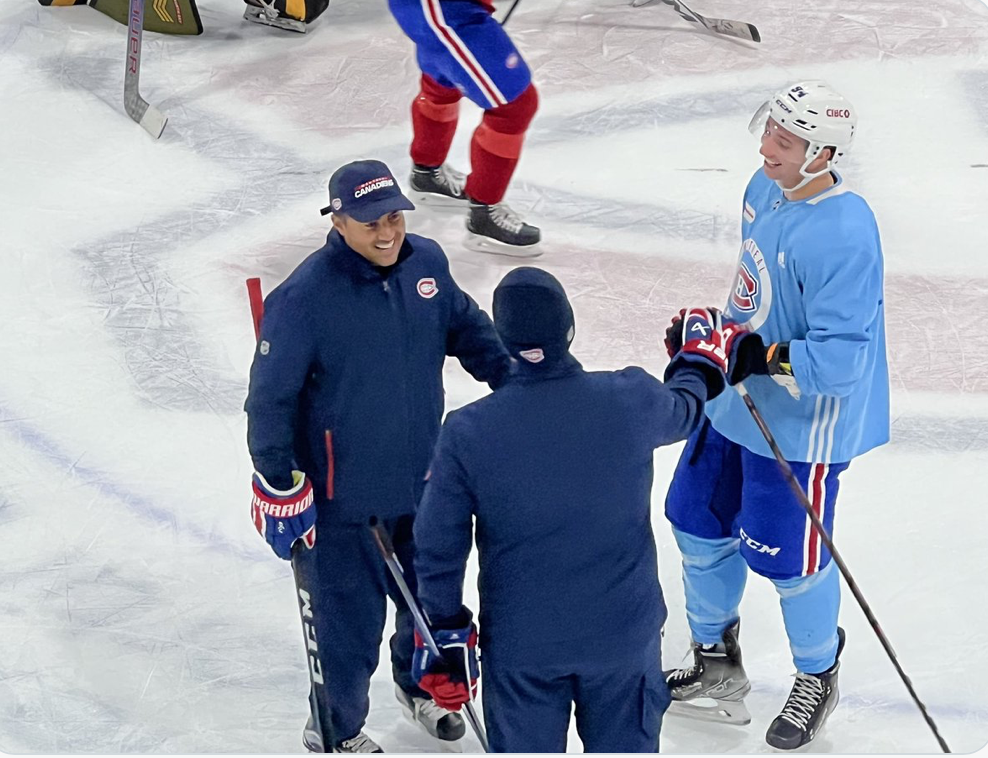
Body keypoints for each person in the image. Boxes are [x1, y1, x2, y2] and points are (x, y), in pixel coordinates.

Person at [244, 159, 512, 753]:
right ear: (338, 221)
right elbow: (269, 401)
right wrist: (277, 481)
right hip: (345, 507)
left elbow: (472, 335)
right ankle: (335, 731)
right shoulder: (304, 298)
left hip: (425, 485)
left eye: (393, 217)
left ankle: (419, 688)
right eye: (370, 223)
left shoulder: (427, 266)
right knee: (347, 632)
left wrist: (522, 387)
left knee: (432, 607)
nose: (387, 233)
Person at [409, 266, 732, 752]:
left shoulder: (468, 432)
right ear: (570, 329)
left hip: (523, 648)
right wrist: (698, 359)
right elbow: (687, 406)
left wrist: (445, 632)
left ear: (504, 338)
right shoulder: (628, 399)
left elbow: (438, 546)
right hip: (621, 637)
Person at [662, 80, 889, 750]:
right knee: (696, 524)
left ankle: (818, 673)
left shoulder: (846, 234)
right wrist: (712, 346)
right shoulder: (763, 191)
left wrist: (764, 357)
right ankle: (714, 661)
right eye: (769, 131)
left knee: (789, 559)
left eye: (784, 141)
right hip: (739, 404)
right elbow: (751, 300)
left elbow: (843, 361)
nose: (767, 148)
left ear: (822, 152)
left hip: (803, 427)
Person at [388, 0, 541, 257]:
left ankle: (427, 172)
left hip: (432, 9)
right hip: (446, 10)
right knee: (515, 106)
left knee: (441, 81)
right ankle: (485, 213)